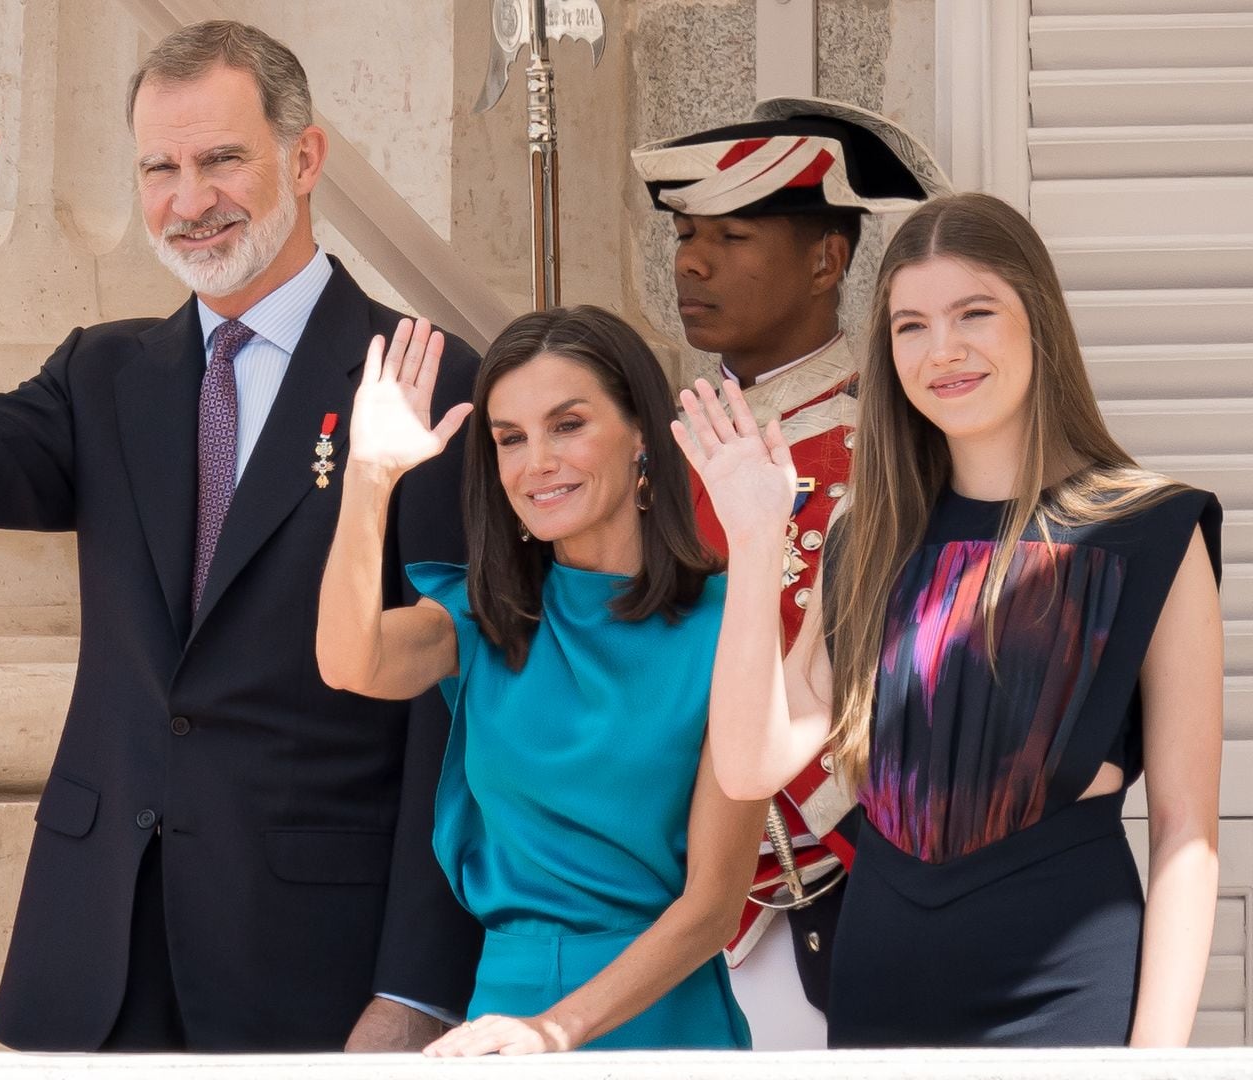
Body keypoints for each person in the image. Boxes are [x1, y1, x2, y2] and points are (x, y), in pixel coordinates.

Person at [0, 21, 482, 1052]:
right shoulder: (104, 375)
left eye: (222, 159)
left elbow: (453, 714)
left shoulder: (424, 378)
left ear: (304, 157)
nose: (190, 201)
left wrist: (418, 986)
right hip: (99, 954)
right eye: (160, 168)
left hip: (315, 961)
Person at [676, 192, 1222, 1046]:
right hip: (878, 981)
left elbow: (1188, 836)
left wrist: (1157, 1061)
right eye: (910, 326)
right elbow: (751, 766)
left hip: (1066, 989)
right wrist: (754, 542)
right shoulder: (867, 532)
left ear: (1037, 319)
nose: (944, 350)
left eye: (975, 312)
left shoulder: (1152, 529)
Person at [315, 307, 764, 1054]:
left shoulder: (727, 627)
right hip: (500, 1021)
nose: (537, 462)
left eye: (568, 425)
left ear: (642, 435)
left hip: (660, 1022)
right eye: (511, 439)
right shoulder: (482, 615)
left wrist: (555, 1030)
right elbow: (348, 661)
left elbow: (714, 908)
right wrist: (369, 476)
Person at [629, 96, 949, 1045]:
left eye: (731, 235)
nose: (691, 261)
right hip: (672, 907)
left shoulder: (902, 450)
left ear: (827, 260)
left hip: (844, 895)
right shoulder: (664, 445)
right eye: (687, 235)